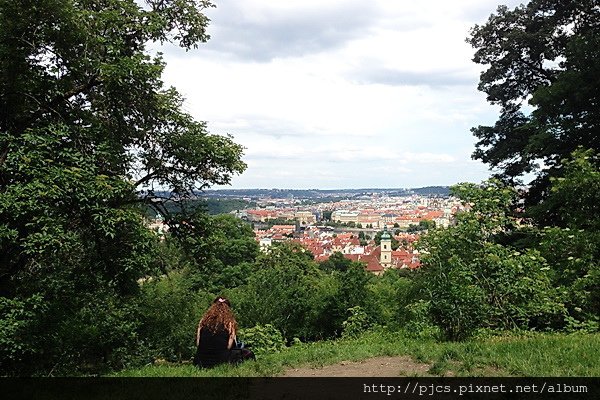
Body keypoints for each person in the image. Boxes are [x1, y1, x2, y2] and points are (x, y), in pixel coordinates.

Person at [193, 296, 255, 368]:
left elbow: (198, 343)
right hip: (221, 360)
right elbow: (229, 346)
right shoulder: (229, 323)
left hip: (201, 360)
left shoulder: (203, 321)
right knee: (247, 353)